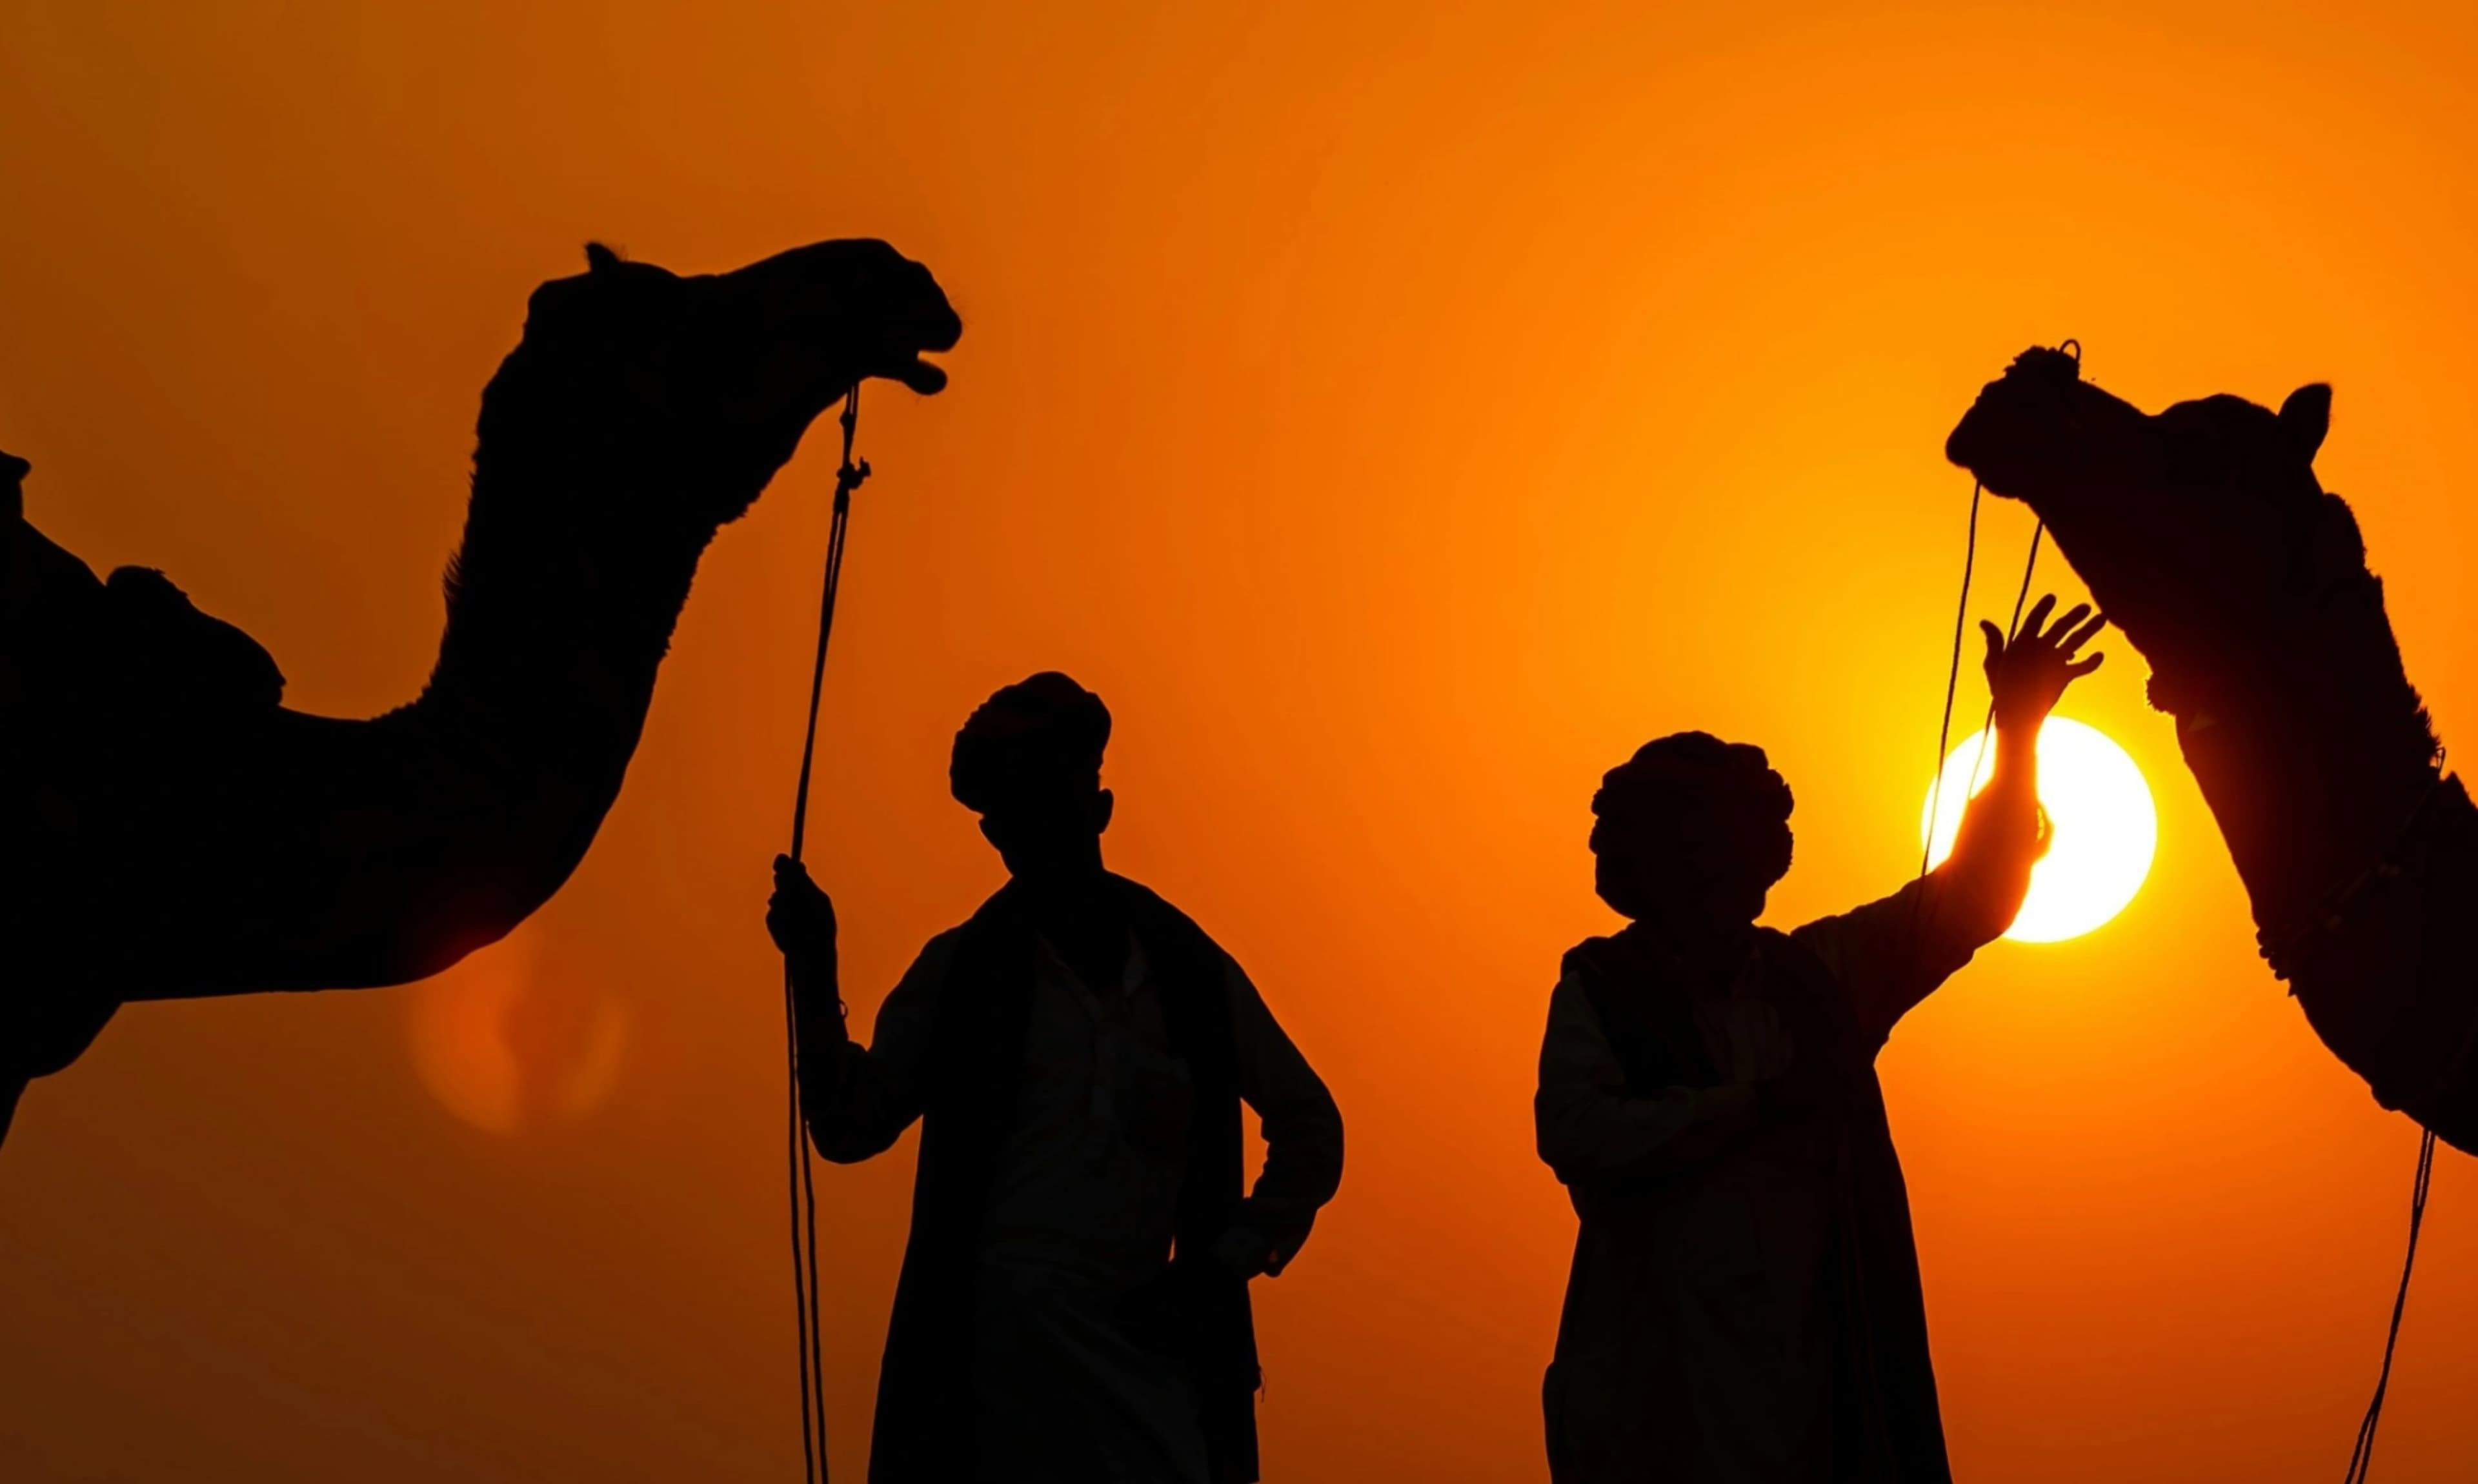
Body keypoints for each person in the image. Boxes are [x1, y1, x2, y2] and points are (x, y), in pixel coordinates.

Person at [1535, 597, 2106, 1483]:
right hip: (1655, 1398)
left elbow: (1972, 899)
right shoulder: (1604, 992)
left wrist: (2021, 727)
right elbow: (1576, 1133)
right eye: (1706, 847)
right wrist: (1748, 1108)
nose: (1732, 872)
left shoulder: (1821, 977)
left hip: (1815, 1397)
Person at [767, 672, 1344, 1484]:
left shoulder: (1184, 971)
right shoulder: (964, 972)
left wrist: (1221, 1265)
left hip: (1151, 1385)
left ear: (1096, 806)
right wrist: (812, 965)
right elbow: (849, 1124)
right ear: (996, 833)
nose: (1027, 829)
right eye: (1011, 812)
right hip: (983, 1389)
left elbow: (1311, 1125)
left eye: (1049, 794)